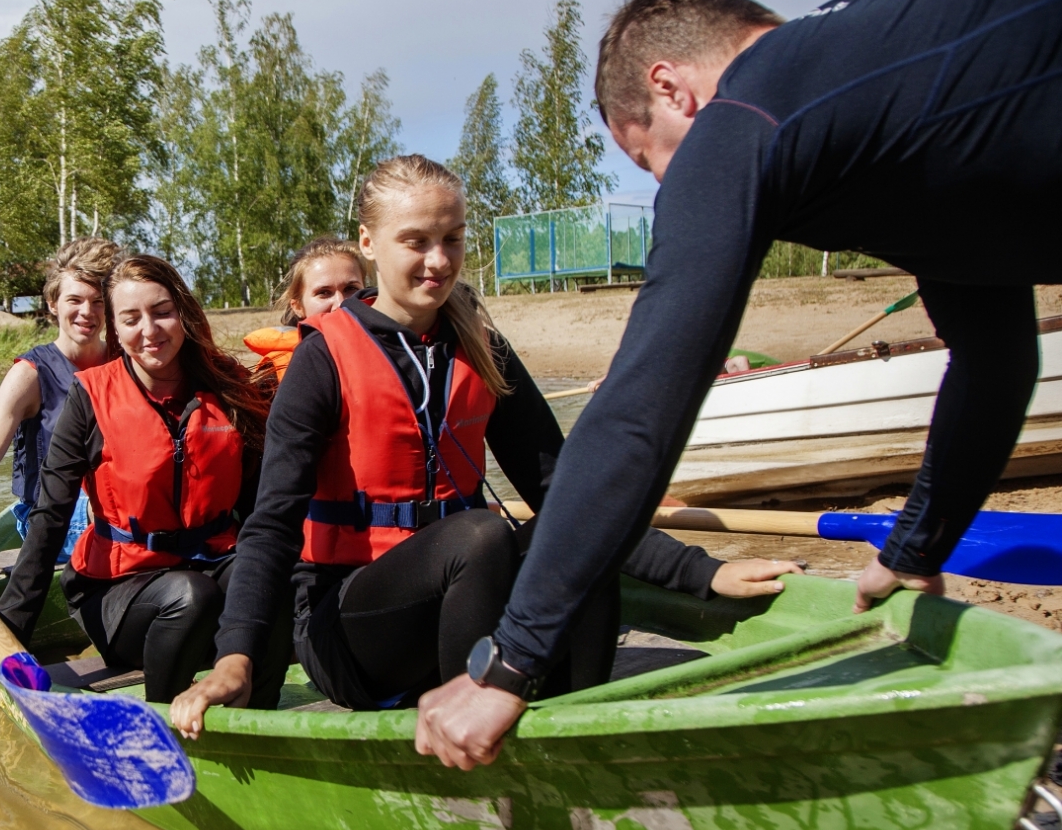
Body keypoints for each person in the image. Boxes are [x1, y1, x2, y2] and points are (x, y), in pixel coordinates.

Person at [421, 0, 1062, 771]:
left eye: (651, 161)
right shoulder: (888, 115)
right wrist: (914, 548)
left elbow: (639, 408)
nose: (668, 187)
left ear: (673, 88)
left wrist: (509, 662)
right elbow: (997, 358)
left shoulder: (749, 108)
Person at [170, 154, 798, 737]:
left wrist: (703, 570)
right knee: (481, 534)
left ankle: (577, 723)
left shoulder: (480, 345)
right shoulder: (322, 359)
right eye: (415, 241)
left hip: (463, 602)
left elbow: (565, 491)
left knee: (576, 542)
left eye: (452, 238)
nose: (438, 261)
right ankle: (462, 730)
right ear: (369, 244)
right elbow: (272, 524)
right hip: (352, 626)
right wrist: (236, 657)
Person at [0, 254, 288, 706]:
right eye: (131, 319)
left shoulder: (229, 387)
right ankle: (164, 720)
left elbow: (264, 507)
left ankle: (260, 715)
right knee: (189, 596)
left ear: (182, 313)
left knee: (269, 576)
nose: (150, 330)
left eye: (162, 312)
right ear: (115, 332)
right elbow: (50, 516)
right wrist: (8, 627)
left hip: (212, 562)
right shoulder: (90, 396)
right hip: (117, 591)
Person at [0, 238, 119, 581]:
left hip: (113, 499)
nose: (87, 312)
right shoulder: (28, 375)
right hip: (50, 516)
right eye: (74, 300)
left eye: (98, 302)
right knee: (118, 508)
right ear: (53, 305)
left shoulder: (123, 361)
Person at [244, 237, 368, 386]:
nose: (340, 304)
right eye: (324, 292)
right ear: (298, 306)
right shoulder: (275, 375)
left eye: (351, 289)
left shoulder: (393, 351)